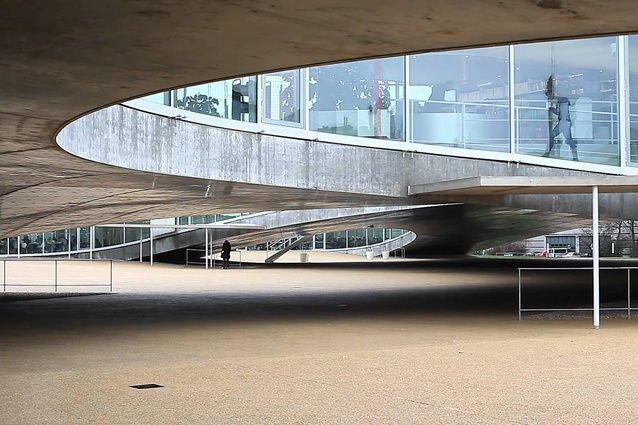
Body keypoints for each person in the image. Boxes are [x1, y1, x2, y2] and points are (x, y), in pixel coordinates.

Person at [543, 76, 578, 161]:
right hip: (564, 122)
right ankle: (575, 156)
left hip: (564, 123)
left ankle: (547, 153)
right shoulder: (563, 101)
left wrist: (552, 109)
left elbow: (562, 113)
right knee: (568, 139)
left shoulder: (563, 101)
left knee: (567, 139)